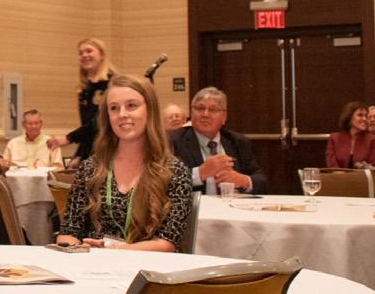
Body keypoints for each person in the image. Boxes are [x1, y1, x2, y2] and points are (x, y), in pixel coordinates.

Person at [56, 74, 192, 251]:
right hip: (94, 264)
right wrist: (75, 249)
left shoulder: (174, 171)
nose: (122, 114)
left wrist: (113, 251)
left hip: (148, 266)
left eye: (131, 106)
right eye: (114, 108)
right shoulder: (91, 168)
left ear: (150, 110)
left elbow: (167, 243)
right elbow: (68, 231)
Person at [169, 87, 267, 194]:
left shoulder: (238, 141)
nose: (205, 114)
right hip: (196, 205)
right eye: (200, 108)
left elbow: (261, 180)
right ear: (191, 113)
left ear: (224, 117)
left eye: (212, 110)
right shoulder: (173, 141)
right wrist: (199, 174)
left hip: (233, 203)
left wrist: (243, 180)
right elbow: (165, 181)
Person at [47, 37, 116, 167]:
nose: (84, 55)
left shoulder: (112, 84)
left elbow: (100, 121)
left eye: (89, 51)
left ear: (101, 55)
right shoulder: (84, 88)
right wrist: (80, 155)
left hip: (109, 151)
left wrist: (69, 138)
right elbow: (88, 127)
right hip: (92, 152)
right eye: (81, 53)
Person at [326, 101, 375, 169]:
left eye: (366, 116)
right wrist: (340, 174)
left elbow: (373, 166)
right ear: (349, 117)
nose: (364, 119)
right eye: (360, 115)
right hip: (337, 175)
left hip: (362, 176)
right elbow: (332, 165)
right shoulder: (334, 138)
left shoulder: (373, 139)